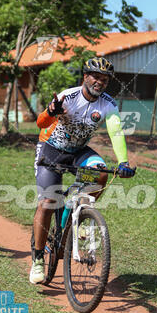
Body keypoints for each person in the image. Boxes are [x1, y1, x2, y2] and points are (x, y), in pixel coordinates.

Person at [30, 57, 136, 284]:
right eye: (95, 77)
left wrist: (123, 162)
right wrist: (50, 111)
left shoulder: (108, 104)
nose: (100, 82)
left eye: (105, 79)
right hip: (52, 149)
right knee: (48, 202)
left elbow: (115, 131)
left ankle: (77, 208)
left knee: (100, 173)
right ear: (85, 77)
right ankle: (38, 259)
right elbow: (40, 123)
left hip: (78, 152)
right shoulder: (67, 96)